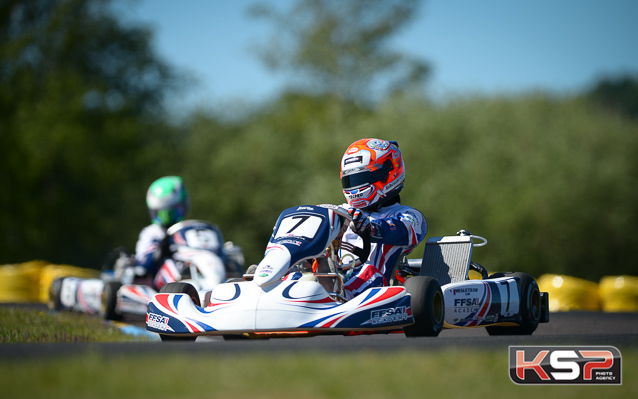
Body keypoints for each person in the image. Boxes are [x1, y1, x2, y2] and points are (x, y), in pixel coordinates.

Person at [339, 138, 427, 299]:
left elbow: (401, 228)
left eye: (361, 179)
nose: (355, 186)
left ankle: (336, 298)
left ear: (388, 173)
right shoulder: (341, 212)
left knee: (368, 273)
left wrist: (370, 228)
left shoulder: (409, 215)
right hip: (334, 275)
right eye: (350, 180)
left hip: (375, 285)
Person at [134, 176, 190, 286]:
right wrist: (160, 250)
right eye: (163, 213)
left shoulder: (188, 229)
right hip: (167, 285)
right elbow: (143, 265)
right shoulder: (152, 233)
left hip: (193, 272)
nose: (167, 216)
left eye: (173, 211)